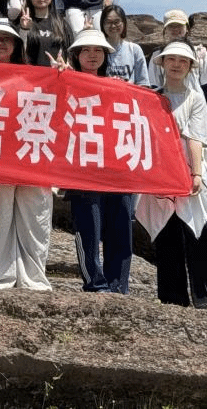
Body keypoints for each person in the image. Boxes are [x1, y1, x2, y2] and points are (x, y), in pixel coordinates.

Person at [136, 41, 207, 312]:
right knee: (167, 237)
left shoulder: (195, 97)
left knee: (200, 234)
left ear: (190, 66)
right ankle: (172, 300)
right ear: (162, 63)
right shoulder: (151, 97)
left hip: (189, 172)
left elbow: (196, 137)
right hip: (160, 176)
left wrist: (196, 173)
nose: (176, 64)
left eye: (183, 60)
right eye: (171, 59)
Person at [0, 18, 52, 291]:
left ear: (16, 44)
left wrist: (63, 76)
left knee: (35, 218)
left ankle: (34, 277)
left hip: (31, 155)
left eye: (5, 38)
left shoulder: (33, 74)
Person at [60, 28, 134, 294]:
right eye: (86, 50)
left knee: (121, 224)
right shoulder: (64, 82)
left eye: (98, 50)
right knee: (88, 227)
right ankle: (95, 281)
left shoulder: (119, 87)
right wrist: (60, 79)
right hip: (83, 168)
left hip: (117, 167)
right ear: (76, 55)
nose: (92, 55)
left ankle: (119, 284)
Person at [148, 10, 207, 131]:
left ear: (187, 28)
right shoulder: (157, 55)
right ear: (165, 30)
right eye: (171, 26)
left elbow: (206, 85)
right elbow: (154, 86)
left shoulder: (200, 53)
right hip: (168, 108)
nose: (175, 29)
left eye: (179, 26)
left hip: (197, 107)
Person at [18, 0, 71, 68]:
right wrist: (24, 29)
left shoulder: (62, 23)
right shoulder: (23, 22)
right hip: (34, 77)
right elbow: (20, 53)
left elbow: (70, 52)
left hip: (58, 74)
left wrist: (66, 64)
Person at [102, 4, 149, 85]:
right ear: (102, 24)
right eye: (108, 22)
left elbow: (143, 83)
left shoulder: (134, 50)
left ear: (124, 23)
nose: (113, 26)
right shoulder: (98, 49)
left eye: (117, 22)